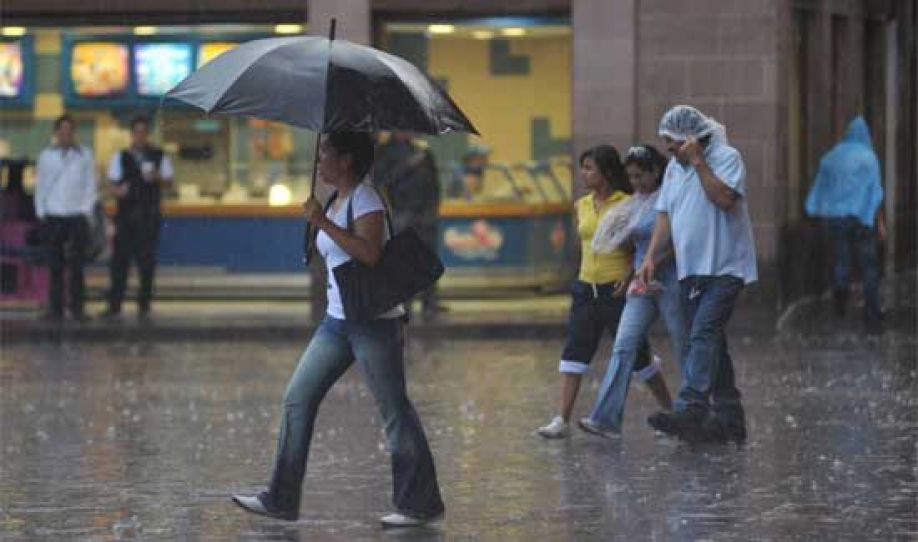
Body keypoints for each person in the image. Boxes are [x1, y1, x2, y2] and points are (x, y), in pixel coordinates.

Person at [232, 132, 445, 528]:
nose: (320, 160)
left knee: (394, 410)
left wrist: (321, 221)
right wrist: (320, 221)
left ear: (346, 160)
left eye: (326, 152)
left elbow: (370, 253)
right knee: (297, 398)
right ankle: (281, 498)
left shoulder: (366, 199)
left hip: (372, 323)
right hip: (336, 321)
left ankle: (420, 504)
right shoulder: (337, 198)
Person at [638, 105, 758, 444]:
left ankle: (691, 405)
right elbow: (664, 215)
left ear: (692, 139)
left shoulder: (726, 157)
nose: (668, 150)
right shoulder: (674, 171)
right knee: (712, 342)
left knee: (703, 333)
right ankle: (730, 417)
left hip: (725, 267)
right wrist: (650, 257)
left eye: (672, 143)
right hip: (692, 270)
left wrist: (698, 162)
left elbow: (724, 199)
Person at [537, 144, 672, 439]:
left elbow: (636, 248)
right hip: (586, 288)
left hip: (617, 290)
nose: (583, 174)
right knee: (574, 351)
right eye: (582, 168)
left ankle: (671, 409)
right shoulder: (581, 205)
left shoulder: (629, 203)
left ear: (607, 172)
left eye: (589, 169)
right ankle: (562, 419)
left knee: (638, 357)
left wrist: (629, 276)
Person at [578, 144, 679, 438]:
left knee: (683, 343)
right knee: (624, 344)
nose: (635, 183)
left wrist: (653, 262)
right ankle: (607, 418)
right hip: (640, 283)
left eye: (640, 176)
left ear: (655, 172)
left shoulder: (669, 199)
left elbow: (680, 242)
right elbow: (629, 245)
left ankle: (693, 409)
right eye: (631, 177)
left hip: (669, 279)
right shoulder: (635, 203)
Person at [805, 116, 885, 332]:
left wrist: (814, 208)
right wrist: (879, 222)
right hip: (862, 219)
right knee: (868, 266)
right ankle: (872, 311)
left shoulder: (831, 157)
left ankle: (840, 296)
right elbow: (875, 192)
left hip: (836, 218)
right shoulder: (869, 158)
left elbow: (822, 186)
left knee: (842, 259)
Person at [100, 115, 173, 321]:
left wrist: (156, 177)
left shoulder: (159, 156)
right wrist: (117, 191)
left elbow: (169, 183)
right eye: (136, 132)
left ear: (147, 134)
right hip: (125, 218)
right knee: (119, 263)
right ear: (131, 135)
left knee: (146, 264)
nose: (140, 136)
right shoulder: (120, 157)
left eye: (143, 132)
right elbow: (111, 185)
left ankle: (144, 305)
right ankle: (115, 306)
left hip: (149, 217)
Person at [373, 131, 446, 319]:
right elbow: (383, 179)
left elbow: (434, 180)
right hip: (403, 210)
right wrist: (408, 165)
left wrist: (434, 207)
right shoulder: (384, 151)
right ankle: (405, 304)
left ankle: (430, 303)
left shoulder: (422, 150)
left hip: (426, 212)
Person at [33, 114, 97, 322]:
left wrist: (86, 211)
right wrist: (41, 211)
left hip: (77, 216)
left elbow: (90, 185)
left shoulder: (84, 155)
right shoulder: (46, 156)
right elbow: (40, 186)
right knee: (55, 266)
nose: (66, 134)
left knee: (77, 266)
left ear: (74, 133)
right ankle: (55, 309)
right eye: (62, 130)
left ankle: (78, 309)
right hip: (54, 217)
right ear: (56, 133)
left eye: (69, 130)